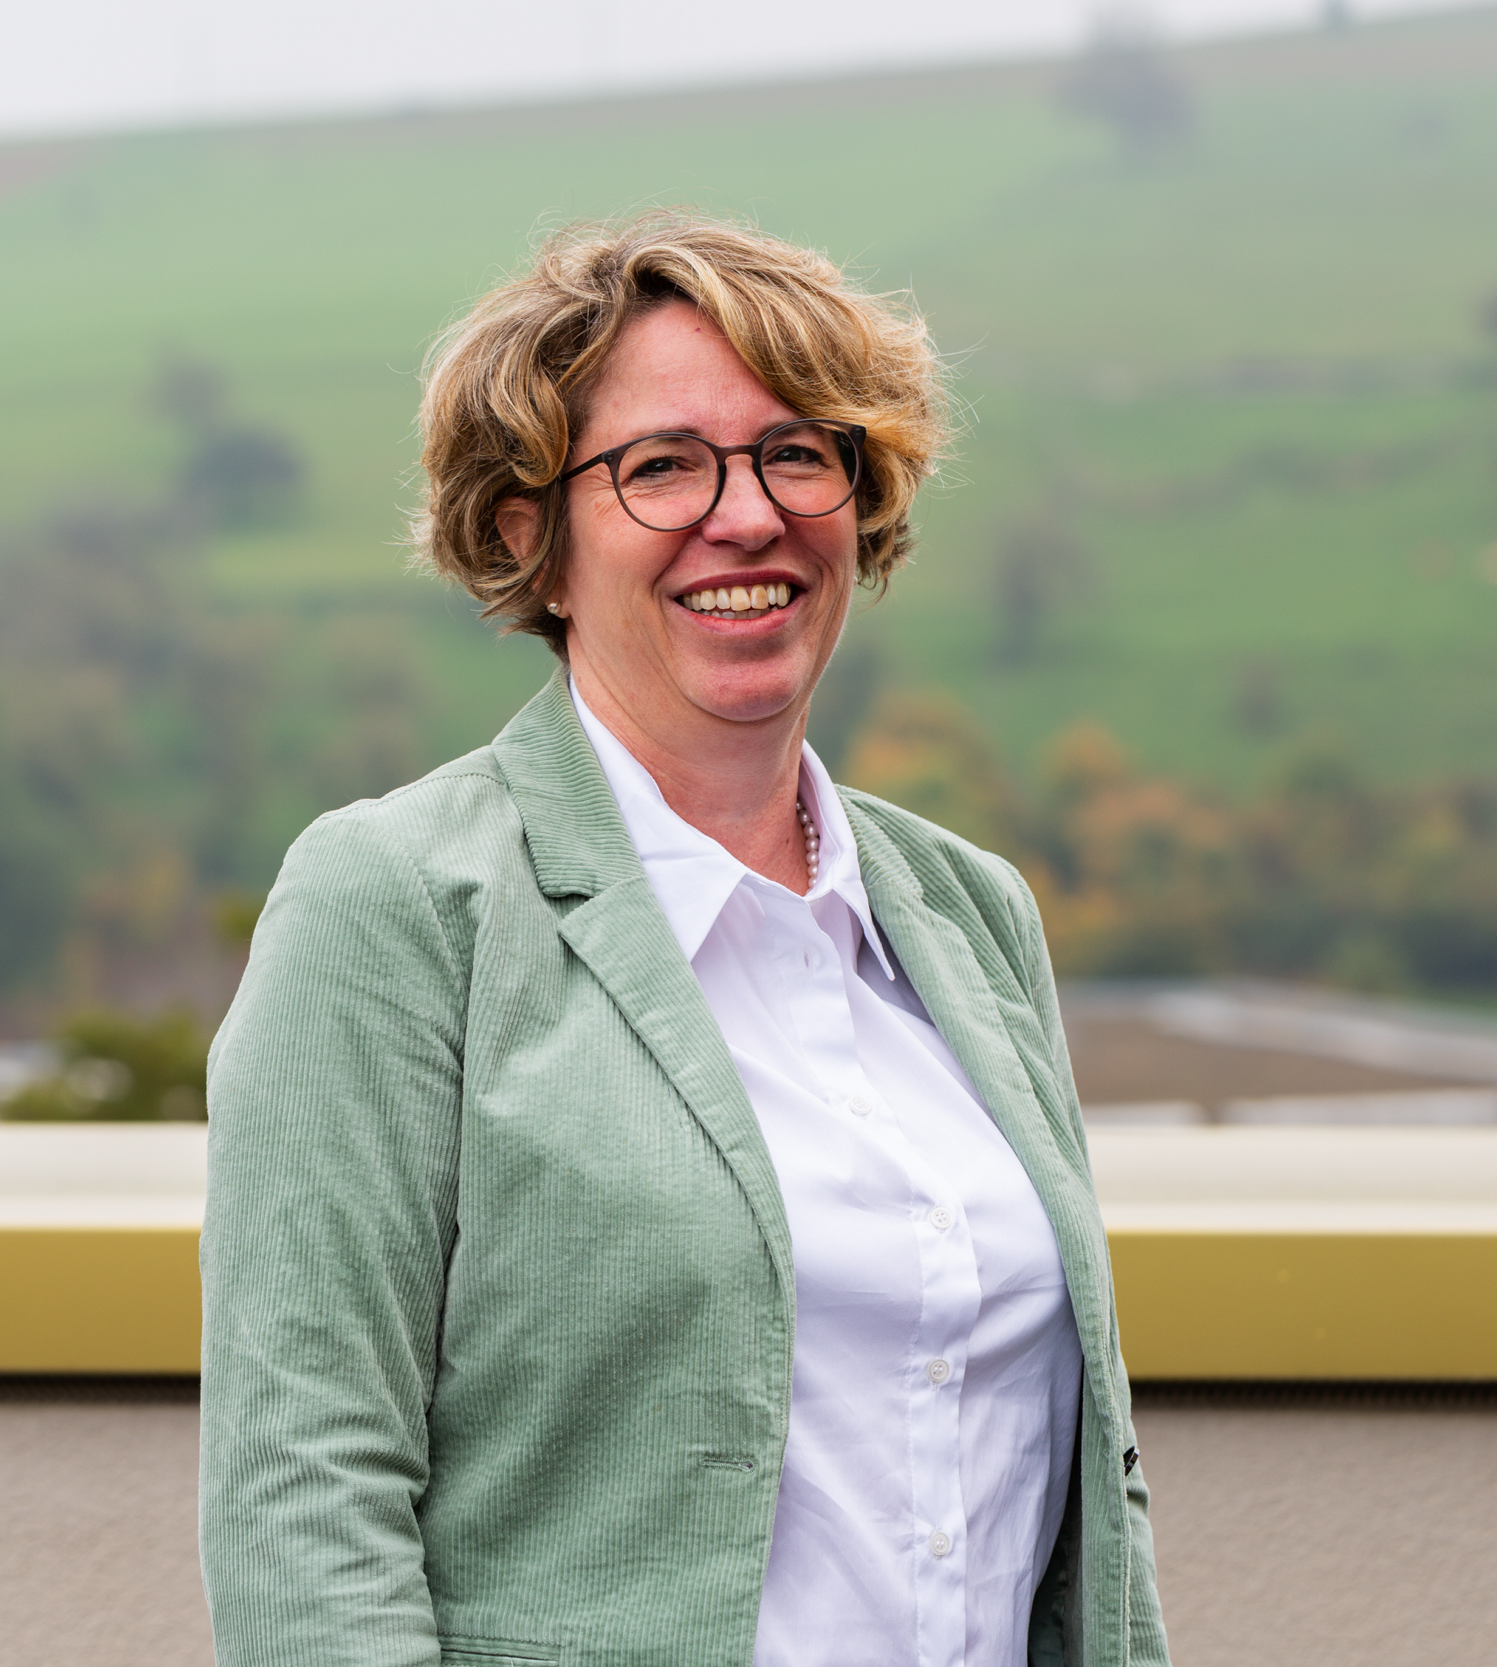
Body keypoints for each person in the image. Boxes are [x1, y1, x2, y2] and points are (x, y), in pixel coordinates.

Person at [199, 213, 1168, 1667]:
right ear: (534, 535)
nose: (750, 514)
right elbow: (303, 1497)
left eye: (801, 451)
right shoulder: (395, 906)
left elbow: (1090, 1485)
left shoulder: (972, 914)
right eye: (663, 466)